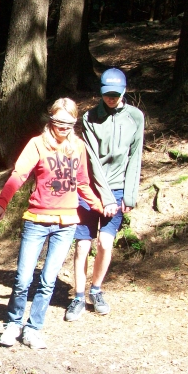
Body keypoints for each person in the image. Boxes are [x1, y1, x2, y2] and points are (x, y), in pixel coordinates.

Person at [0, 98, 104, 350]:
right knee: (23, 279)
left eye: (68, 123)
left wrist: (99, 205)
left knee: (48, 280)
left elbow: (83, 183)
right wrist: (2, 202)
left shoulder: (78, 147)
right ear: (51, 119)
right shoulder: (37, 144)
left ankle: (33, 329)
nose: (63, 127)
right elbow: (19, 174)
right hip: (37, 221)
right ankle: (13, 324)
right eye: (59, 121)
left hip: (66, 223)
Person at [65, 68, 144, 321]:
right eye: (107, 94)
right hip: (90, 189)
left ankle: (96, 290)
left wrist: (129, 195)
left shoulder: (135, 117)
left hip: (118, 189)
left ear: (124, 91)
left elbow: (135, 157)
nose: (111, 98)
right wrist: (104, 197)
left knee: (105, 244)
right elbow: (93, 160)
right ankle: (78, 296)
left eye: (116, 94)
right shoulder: (90, 117)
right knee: (83, 245)